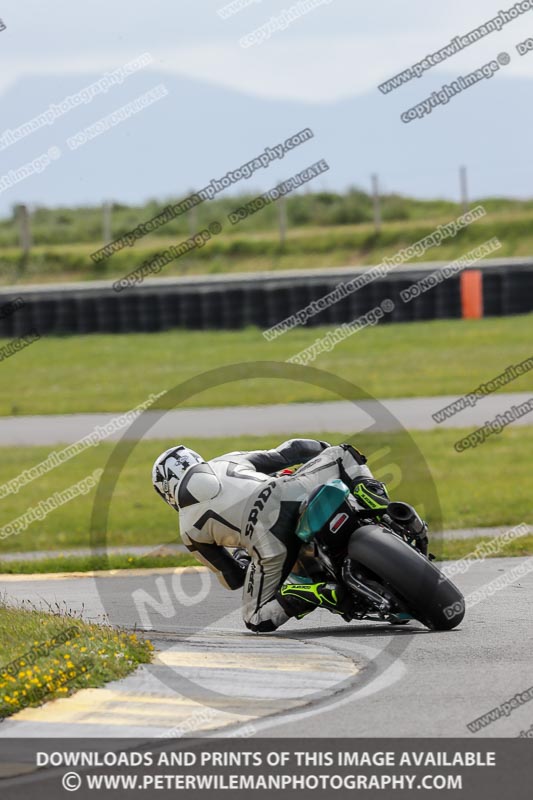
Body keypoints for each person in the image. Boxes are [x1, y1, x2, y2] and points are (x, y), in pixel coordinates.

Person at [152, 439, 392, 633]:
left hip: (268, 543)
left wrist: (244, 557)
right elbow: (290, 452)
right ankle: (377, 500)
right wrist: (322, 449)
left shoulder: (188, 529)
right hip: (290, 492)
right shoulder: (225, 461)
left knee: (255, 618)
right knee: (343, 452)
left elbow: (233, 579)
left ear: (166, 491)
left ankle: (313, 593)